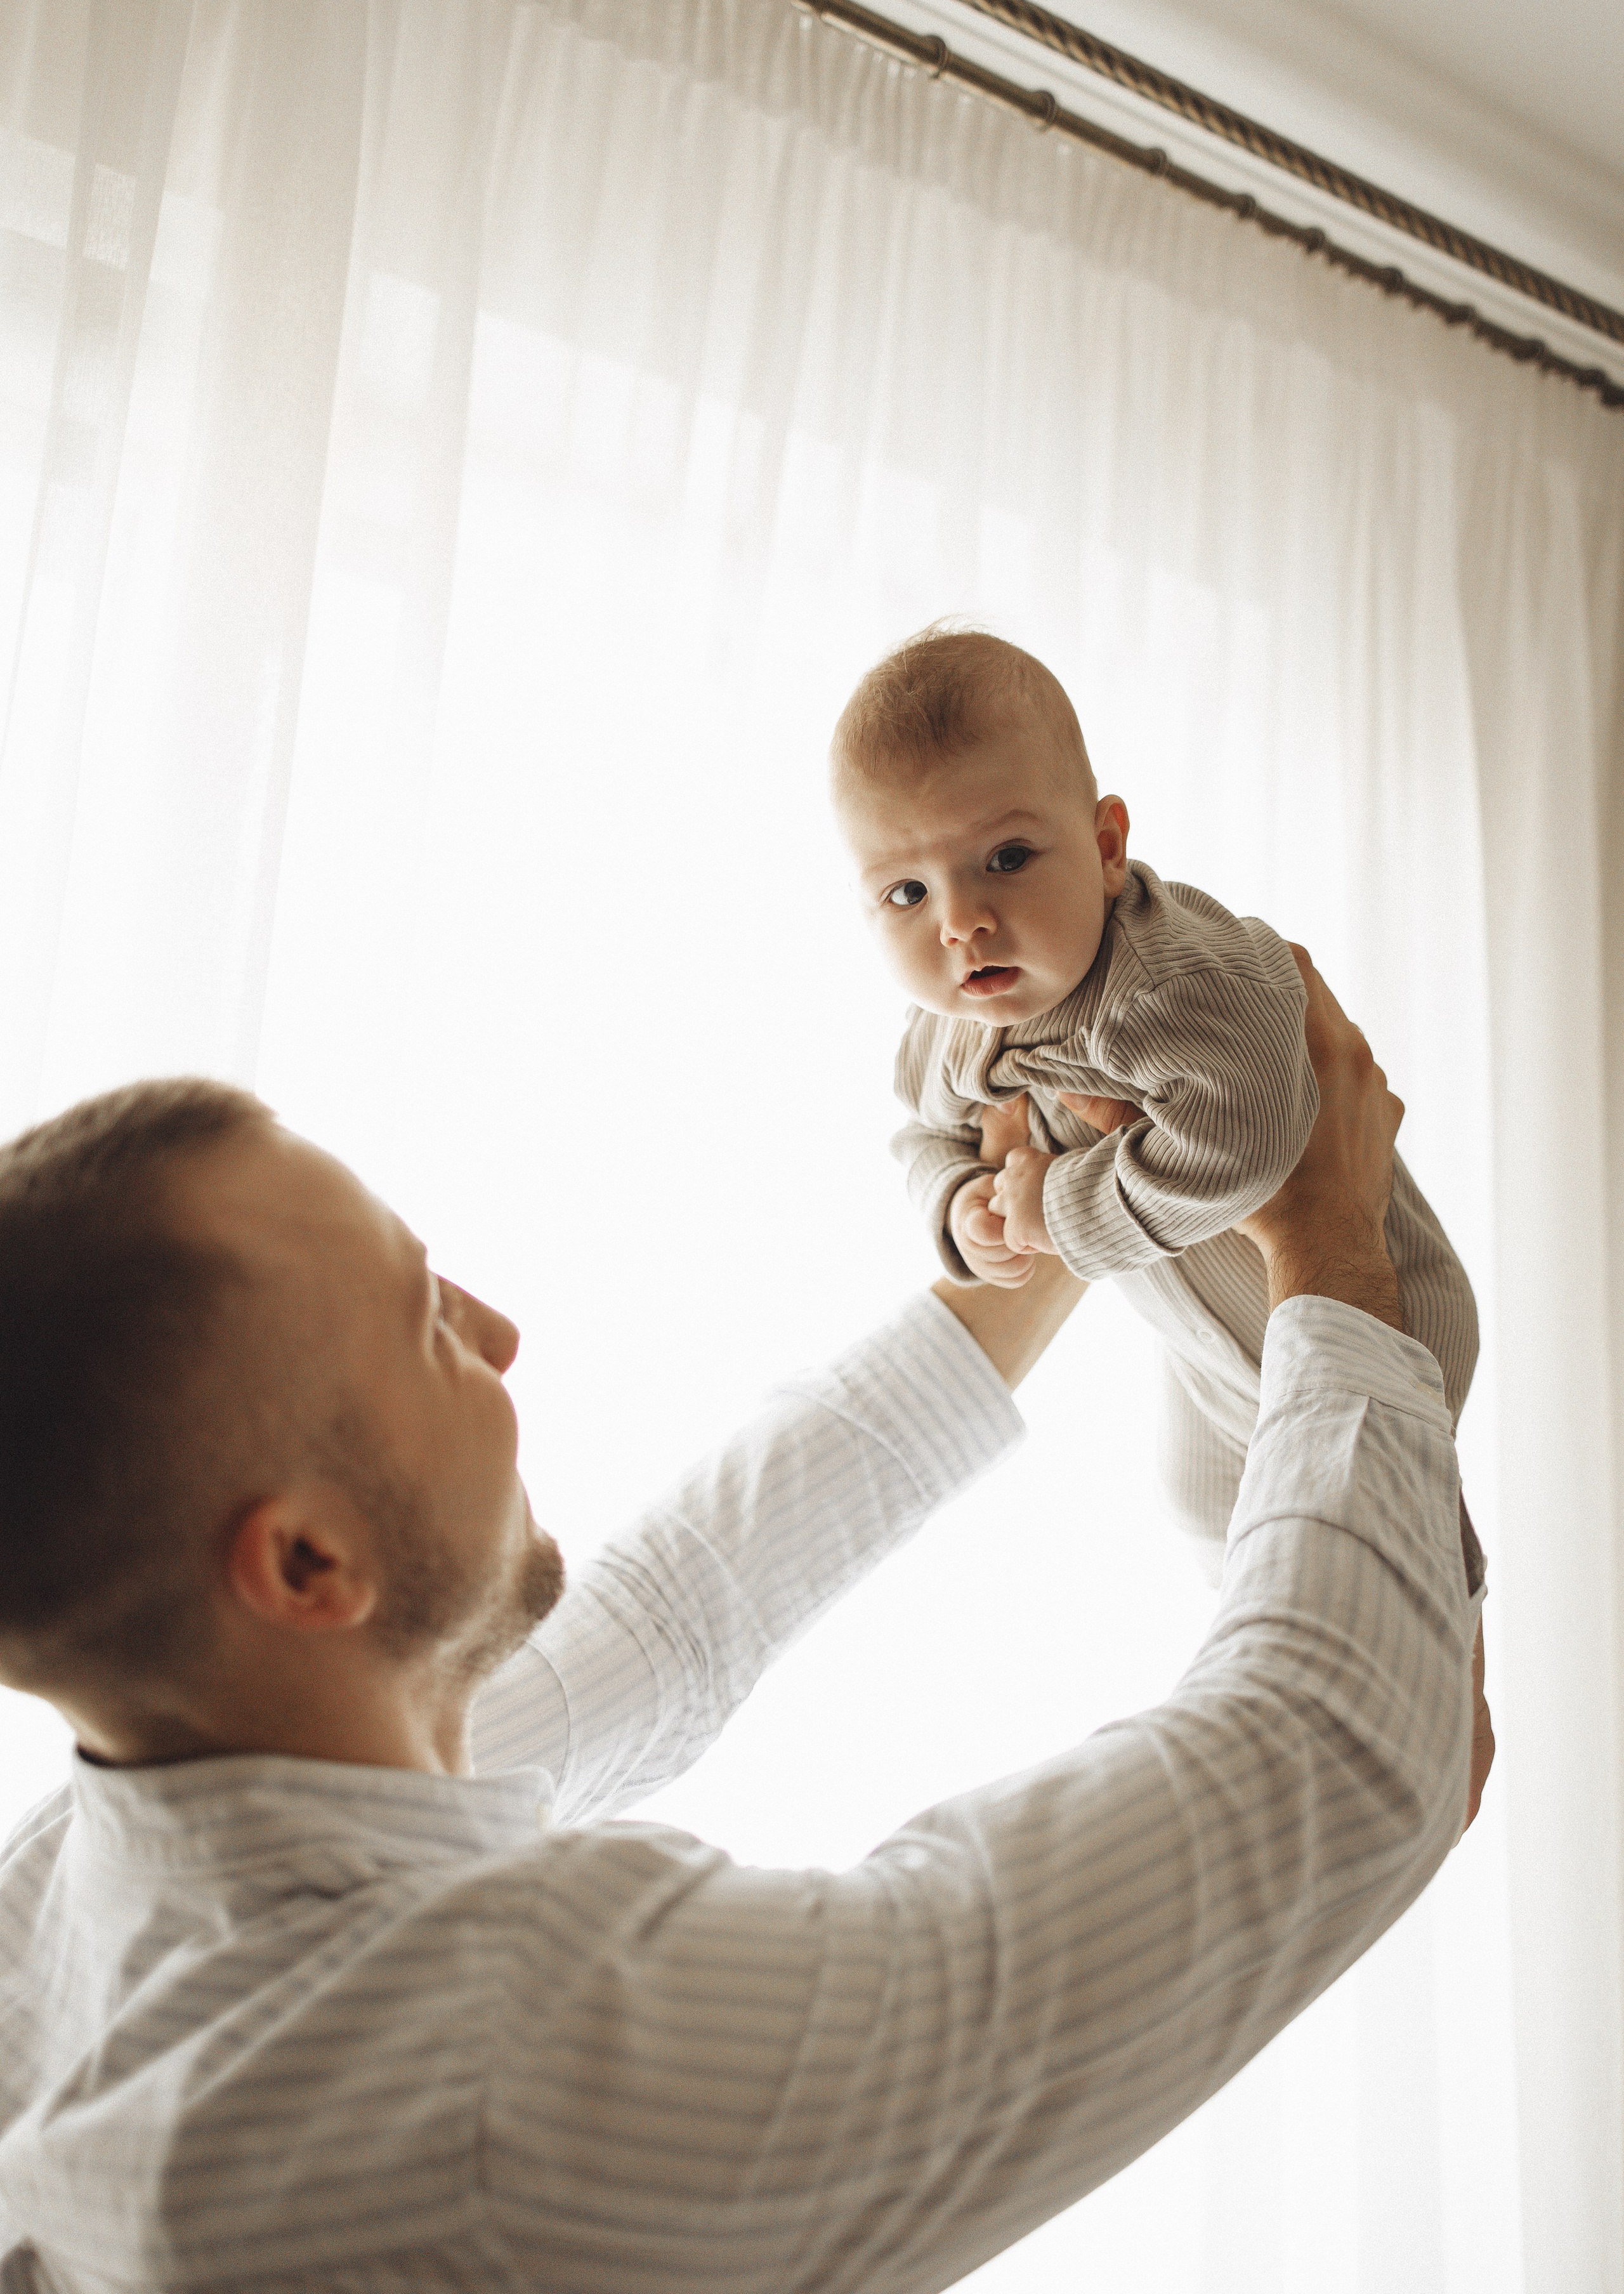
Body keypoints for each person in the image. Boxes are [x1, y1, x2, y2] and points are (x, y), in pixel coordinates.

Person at [0, 964, 1491, 2293]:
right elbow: (1348, 1746)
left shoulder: (104, 1855)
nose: (498, 1333)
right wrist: (1332, 1253)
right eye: (421, 1320)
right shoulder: (488, 2079)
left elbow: (669, 1617)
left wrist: (1039, 1229)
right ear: (308, 1562)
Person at [832, 621, 1484, 1589]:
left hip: (1372, 1315)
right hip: (1205, 1347)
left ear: (1104, 848)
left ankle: (1447, 1633)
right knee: (1203, 1511)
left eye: (1006, 858)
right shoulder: (951, 1026)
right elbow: (923, 1134)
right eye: (906, 893)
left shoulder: (1164, 987)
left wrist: (1056, 1206)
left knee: (1383, 1539)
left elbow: (1248, 1134)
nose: (960, 920)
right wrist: (960, 1204)